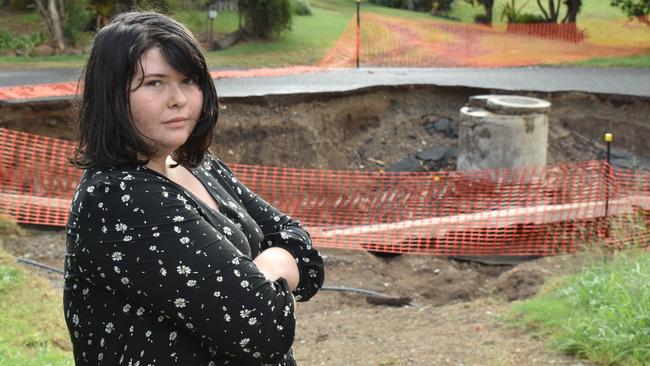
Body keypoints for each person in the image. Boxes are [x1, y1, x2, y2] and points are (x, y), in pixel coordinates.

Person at [63, 11, 324, 365]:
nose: (179, 99)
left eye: (188, 81)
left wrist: (262, 272)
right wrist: (272, 270)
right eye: (155, 83)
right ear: (112, 95)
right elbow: (266, 325)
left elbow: (303, 250)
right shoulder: (118, 198)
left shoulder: (197, 164)